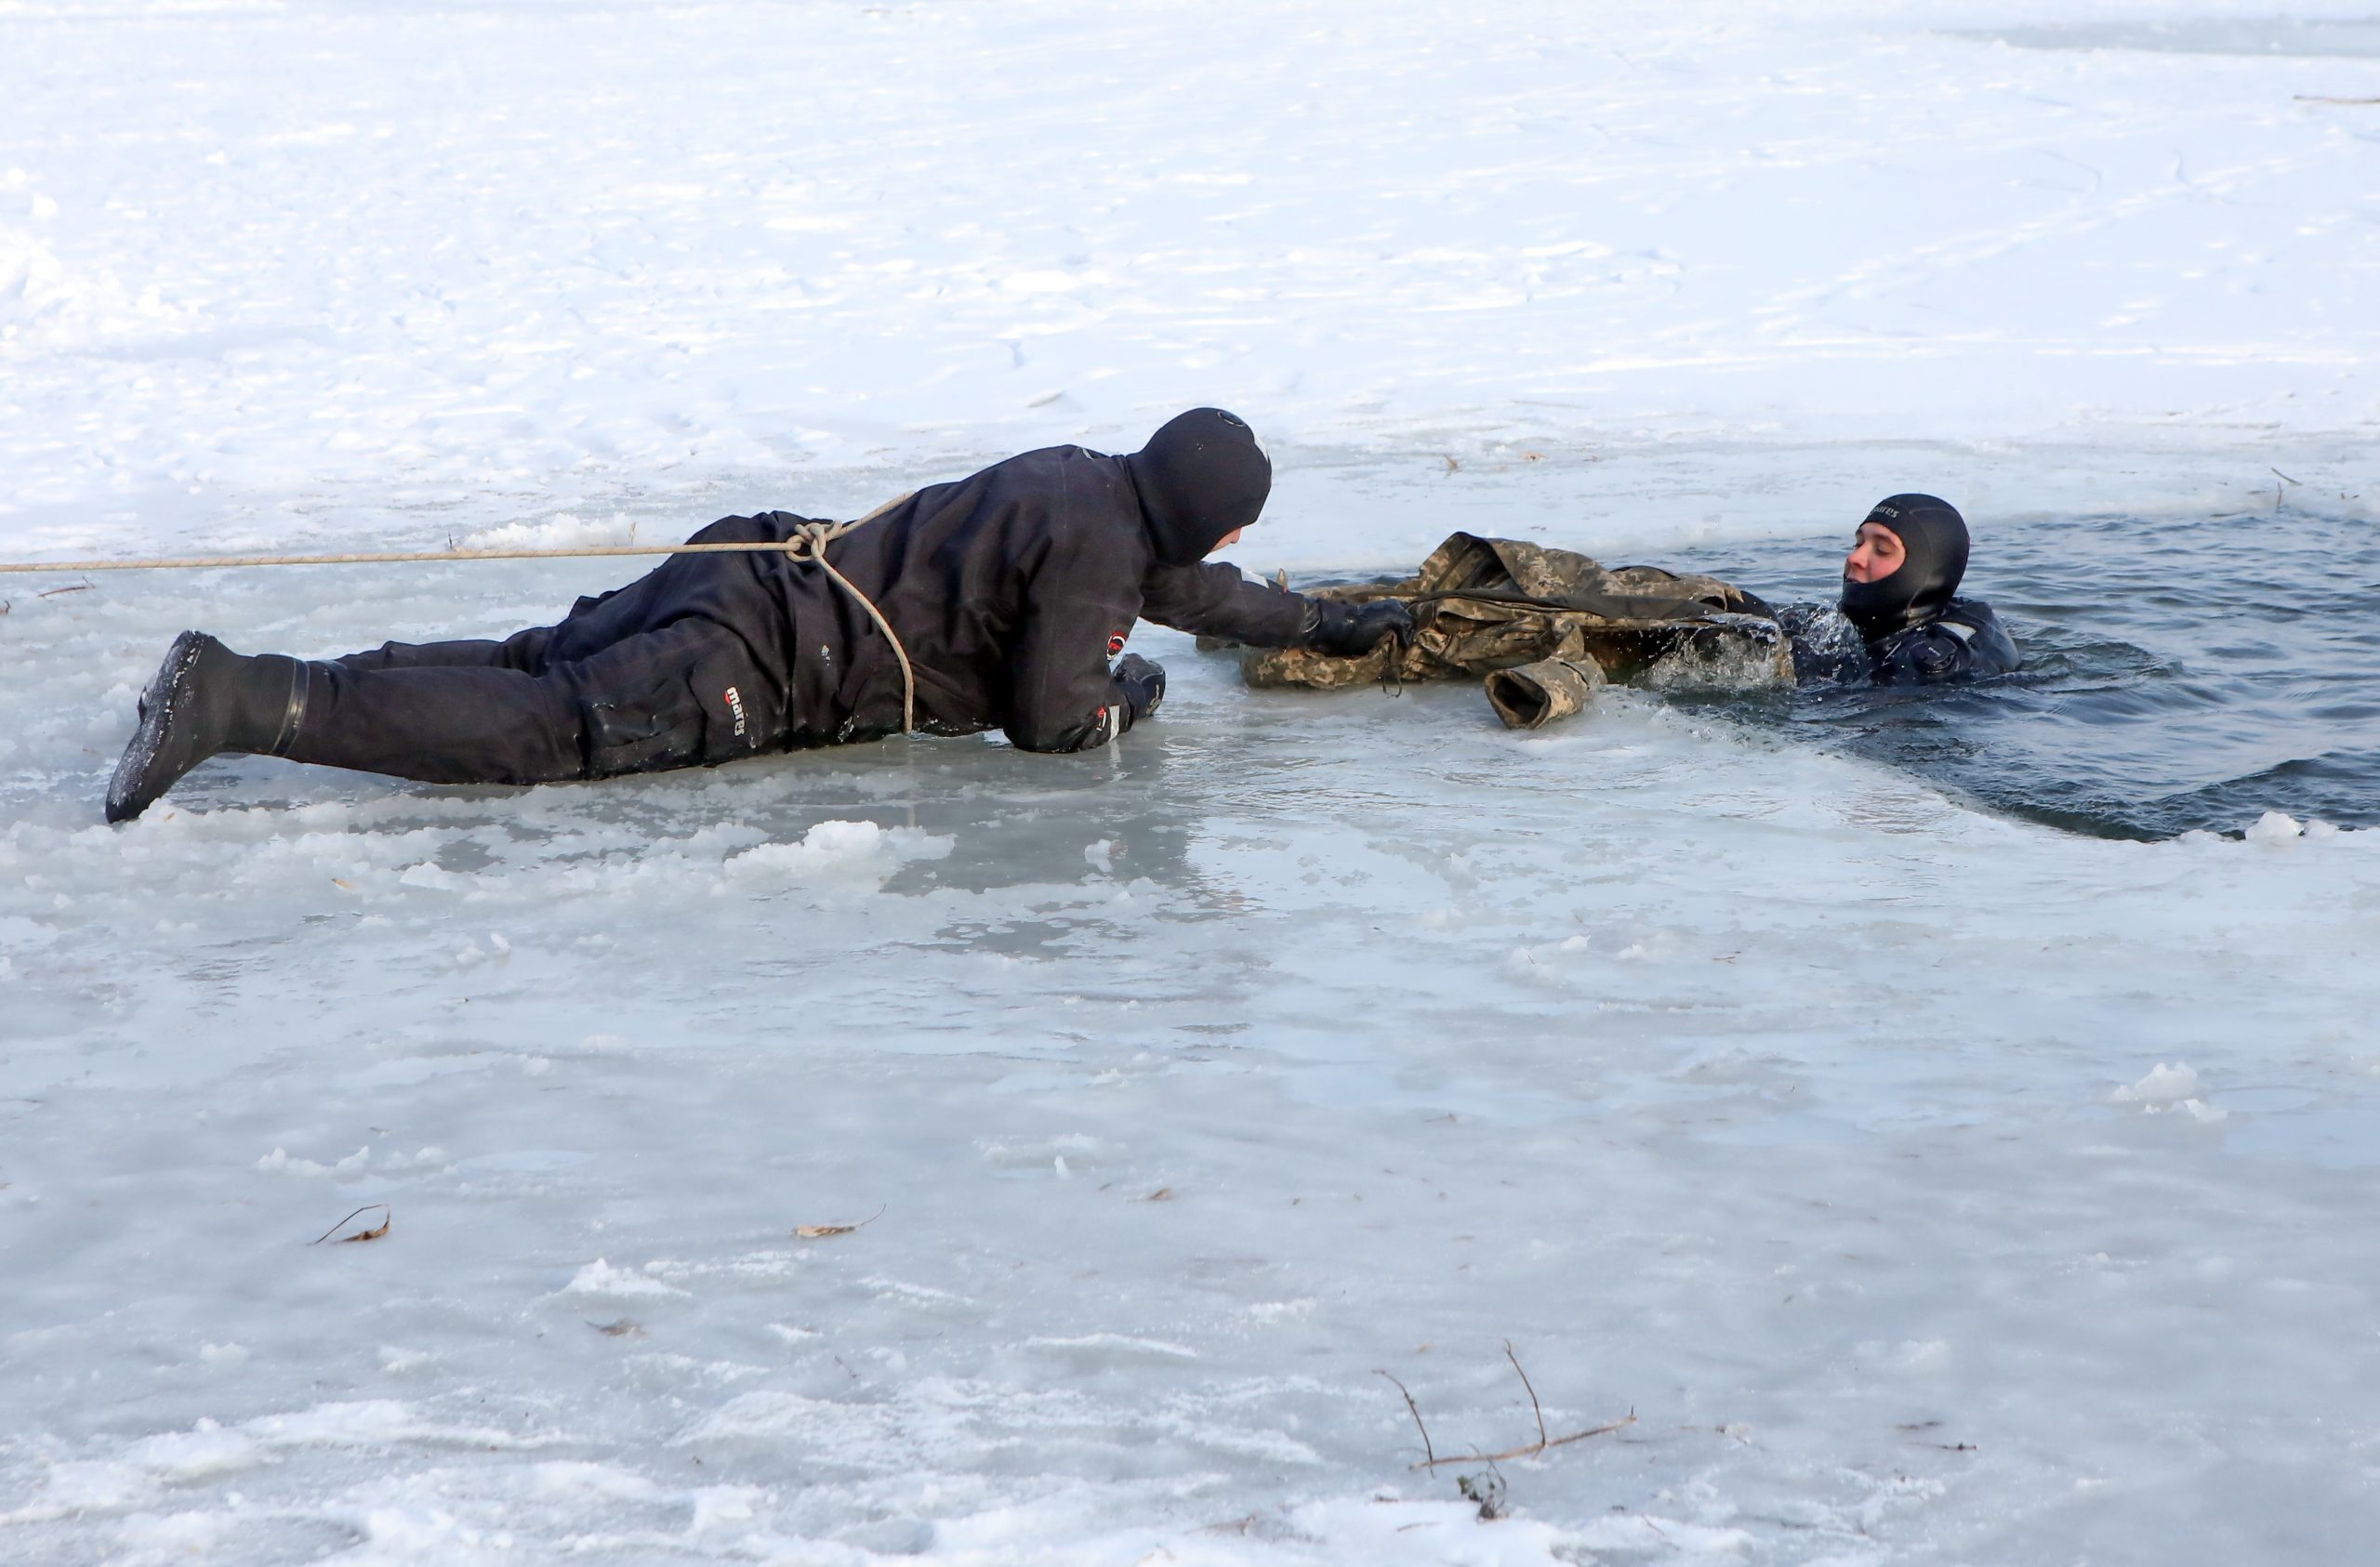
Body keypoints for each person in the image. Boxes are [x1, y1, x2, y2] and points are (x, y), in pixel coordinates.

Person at [106, 408, 1415, 822]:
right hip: (762, 661)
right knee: (553, 726)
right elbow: (1050, 720)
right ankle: (243, 700)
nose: (1235, 549)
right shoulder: (1099, 556)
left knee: (536, 659)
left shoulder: (1093, 493)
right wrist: (1127, 703)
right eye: (1235, 524)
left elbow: (1192, 591)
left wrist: (1332, 622)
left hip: (743, 570)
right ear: (1197, 508)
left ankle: (251, 675)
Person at [1785, 493, 2019, 685]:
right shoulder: (1931, 613)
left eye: (1882, 550)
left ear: (1924, 568)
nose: (1854, 557)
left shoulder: (1925, 668)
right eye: (1858, 543)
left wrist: (1801, 665)